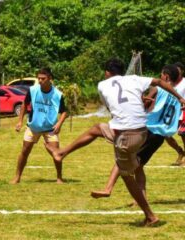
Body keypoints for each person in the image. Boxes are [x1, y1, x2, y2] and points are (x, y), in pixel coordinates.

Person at [46, 59, 185, 226]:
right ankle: (62, 153)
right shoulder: (134, 79)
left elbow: (113, 108)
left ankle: (150, 216)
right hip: (141, 131)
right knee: (98, 129)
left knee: (127, 175)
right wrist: (179, 98)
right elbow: (158, 82)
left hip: (128, 135)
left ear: (107, 73)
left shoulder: (102, 85)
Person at [90, 64, 181, 206]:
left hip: (148, 129)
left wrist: (143, 100)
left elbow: (145, 106)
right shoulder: (179, 94)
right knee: (138, 166)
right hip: (160, 136)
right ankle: (140, 198)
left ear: (166, 77)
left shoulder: (157, 90)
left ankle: (108, 188)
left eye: (161, 75)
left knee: (123, 158)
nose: (160, 77)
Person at [11, 67, 67, 184]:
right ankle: (17, 177)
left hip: (50, 128)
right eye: (39, 78)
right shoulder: (33, 90)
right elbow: (24, 104)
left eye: (43, 78)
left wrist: (59, 123)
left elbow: (64, 111)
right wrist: (20, 121)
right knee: (25, 151)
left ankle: (59, 178)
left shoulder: (57, 94)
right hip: (33, 127)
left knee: (56, 152)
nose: (40, 81)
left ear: (50, 79)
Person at [165, 62, 185, 165]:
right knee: (165, 134)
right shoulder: (169, 83)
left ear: (181, 71)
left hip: (183, 112)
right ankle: (180, 151)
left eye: (177, 70)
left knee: (183, 135)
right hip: (171, 113)